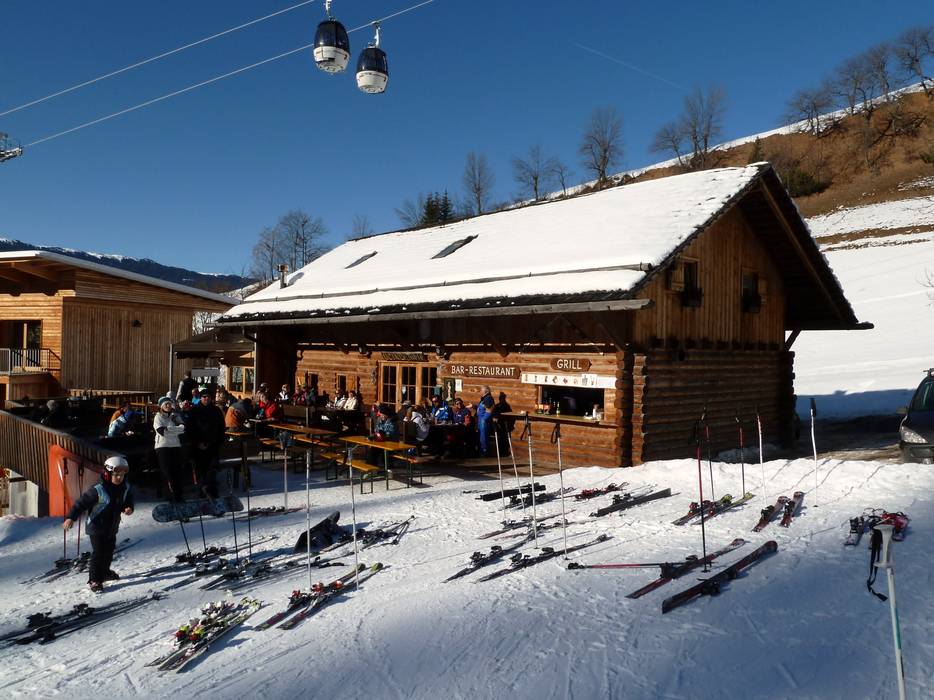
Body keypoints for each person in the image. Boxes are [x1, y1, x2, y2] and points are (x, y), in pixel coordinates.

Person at [63, 456, 134, 593]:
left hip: (112, 526)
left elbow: (127, 500)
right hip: (96, 527)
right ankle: (94, 579)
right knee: (99, 552)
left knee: (109, 551)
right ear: (107, 474)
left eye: (122, 475)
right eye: (116, 475)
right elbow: (80, 504)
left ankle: (105, 572)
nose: (119, 478)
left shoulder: (125, 488)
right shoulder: (98, 490)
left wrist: (128, 507)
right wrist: (71, 518)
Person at [189, 387, 226, 498]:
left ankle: (211, 491)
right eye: (204, 397)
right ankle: (202, 491)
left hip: (213, 444)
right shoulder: (194, 410)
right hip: (198, 446)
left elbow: (221, 427)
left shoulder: (216, 410)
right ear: (200, 398)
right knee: (201, 470)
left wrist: (217, 441)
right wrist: (197, 443)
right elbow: (190, 429)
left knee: (212, 470)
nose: (206, 399)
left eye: (208, 397)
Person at [154, 395, 186, 502]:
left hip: (175, 446)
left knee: (177, 471)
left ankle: (179, 495)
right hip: (163, 447)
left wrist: (169, 429)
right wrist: (176, 430)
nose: (168, 406)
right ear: (161, 406)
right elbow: (161, 431)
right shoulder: (158, 417)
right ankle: (171, 496)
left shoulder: (175, 416)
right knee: (167, 472)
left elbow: (183, 428)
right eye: (165, 404)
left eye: (169, 404)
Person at [490, 391, 514, 456]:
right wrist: (494, 419)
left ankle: (504, 453)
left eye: (502, 398)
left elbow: (510, 416)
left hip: (505, 426)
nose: (501, 399)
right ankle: (500, 453)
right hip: (498, 426)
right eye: (500, 398)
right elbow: (493, 414)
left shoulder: (507, 406)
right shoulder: (497, 406)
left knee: (505, 440)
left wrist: (510, 426)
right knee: (499, 440)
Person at [476, 385, 495, 457]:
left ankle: (484, 453)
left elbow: (489, 411)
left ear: (485, 391)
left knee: (483, 438)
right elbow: (482, 409)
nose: (480, 392)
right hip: (481, 421)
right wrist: (474, 406)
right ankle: (481, 452)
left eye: (481, 390)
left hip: (484, 422)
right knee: (481, 438)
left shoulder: (488, 398)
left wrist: (483, 420)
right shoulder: (484, 399)